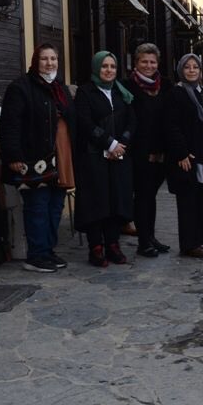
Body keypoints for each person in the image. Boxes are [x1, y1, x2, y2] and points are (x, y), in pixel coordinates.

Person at [0, 43, 76, 273]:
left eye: (53, 59)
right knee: (37, 207)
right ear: (35, 61)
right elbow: (10, 125)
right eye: (44, 59)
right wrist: (13, 156)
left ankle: (47, 250)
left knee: (55, 206)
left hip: (59, 158)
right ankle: (36, 255)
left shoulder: (60, 88)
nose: (49, 63)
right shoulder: (20, 87)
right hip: (33, 159)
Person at [74, 51, 135, 267]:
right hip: (93, 157)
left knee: (115, 200)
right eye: (104, 66)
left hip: (119, 156)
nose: (109, 70)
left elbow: (132, 121)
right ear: (96, 67)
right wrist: (109, 143)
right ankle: (96, 247)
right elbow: (85, 123)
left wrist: (121, 143)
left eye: (112, 66)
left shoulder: (121, 92)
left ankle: (112, 244)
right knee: (96, 202)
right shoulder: (85, 92)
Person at [164, 53, 203, 258]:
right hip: (186, 157)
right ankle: (188, 244)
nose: (191, 70)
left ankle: (198, 240)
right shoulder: (175, 94)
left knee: (201, 198)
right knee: (187, 200)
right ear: (181, 70)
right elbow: (171, 126)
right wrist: (181, 153)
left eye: (195, 67)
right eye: (187, 67)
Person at [123, 43, 171, 258]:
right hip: (138, 152)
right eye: (144, 61)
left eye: (152, 62)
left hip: (160, 152)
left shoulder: (166, 85)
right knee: (142, 196)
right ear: (136, 63)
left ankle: (150, 236)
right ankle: (143, 241)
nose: (148, 65)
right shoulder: (127, 87)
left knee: (151, 196)